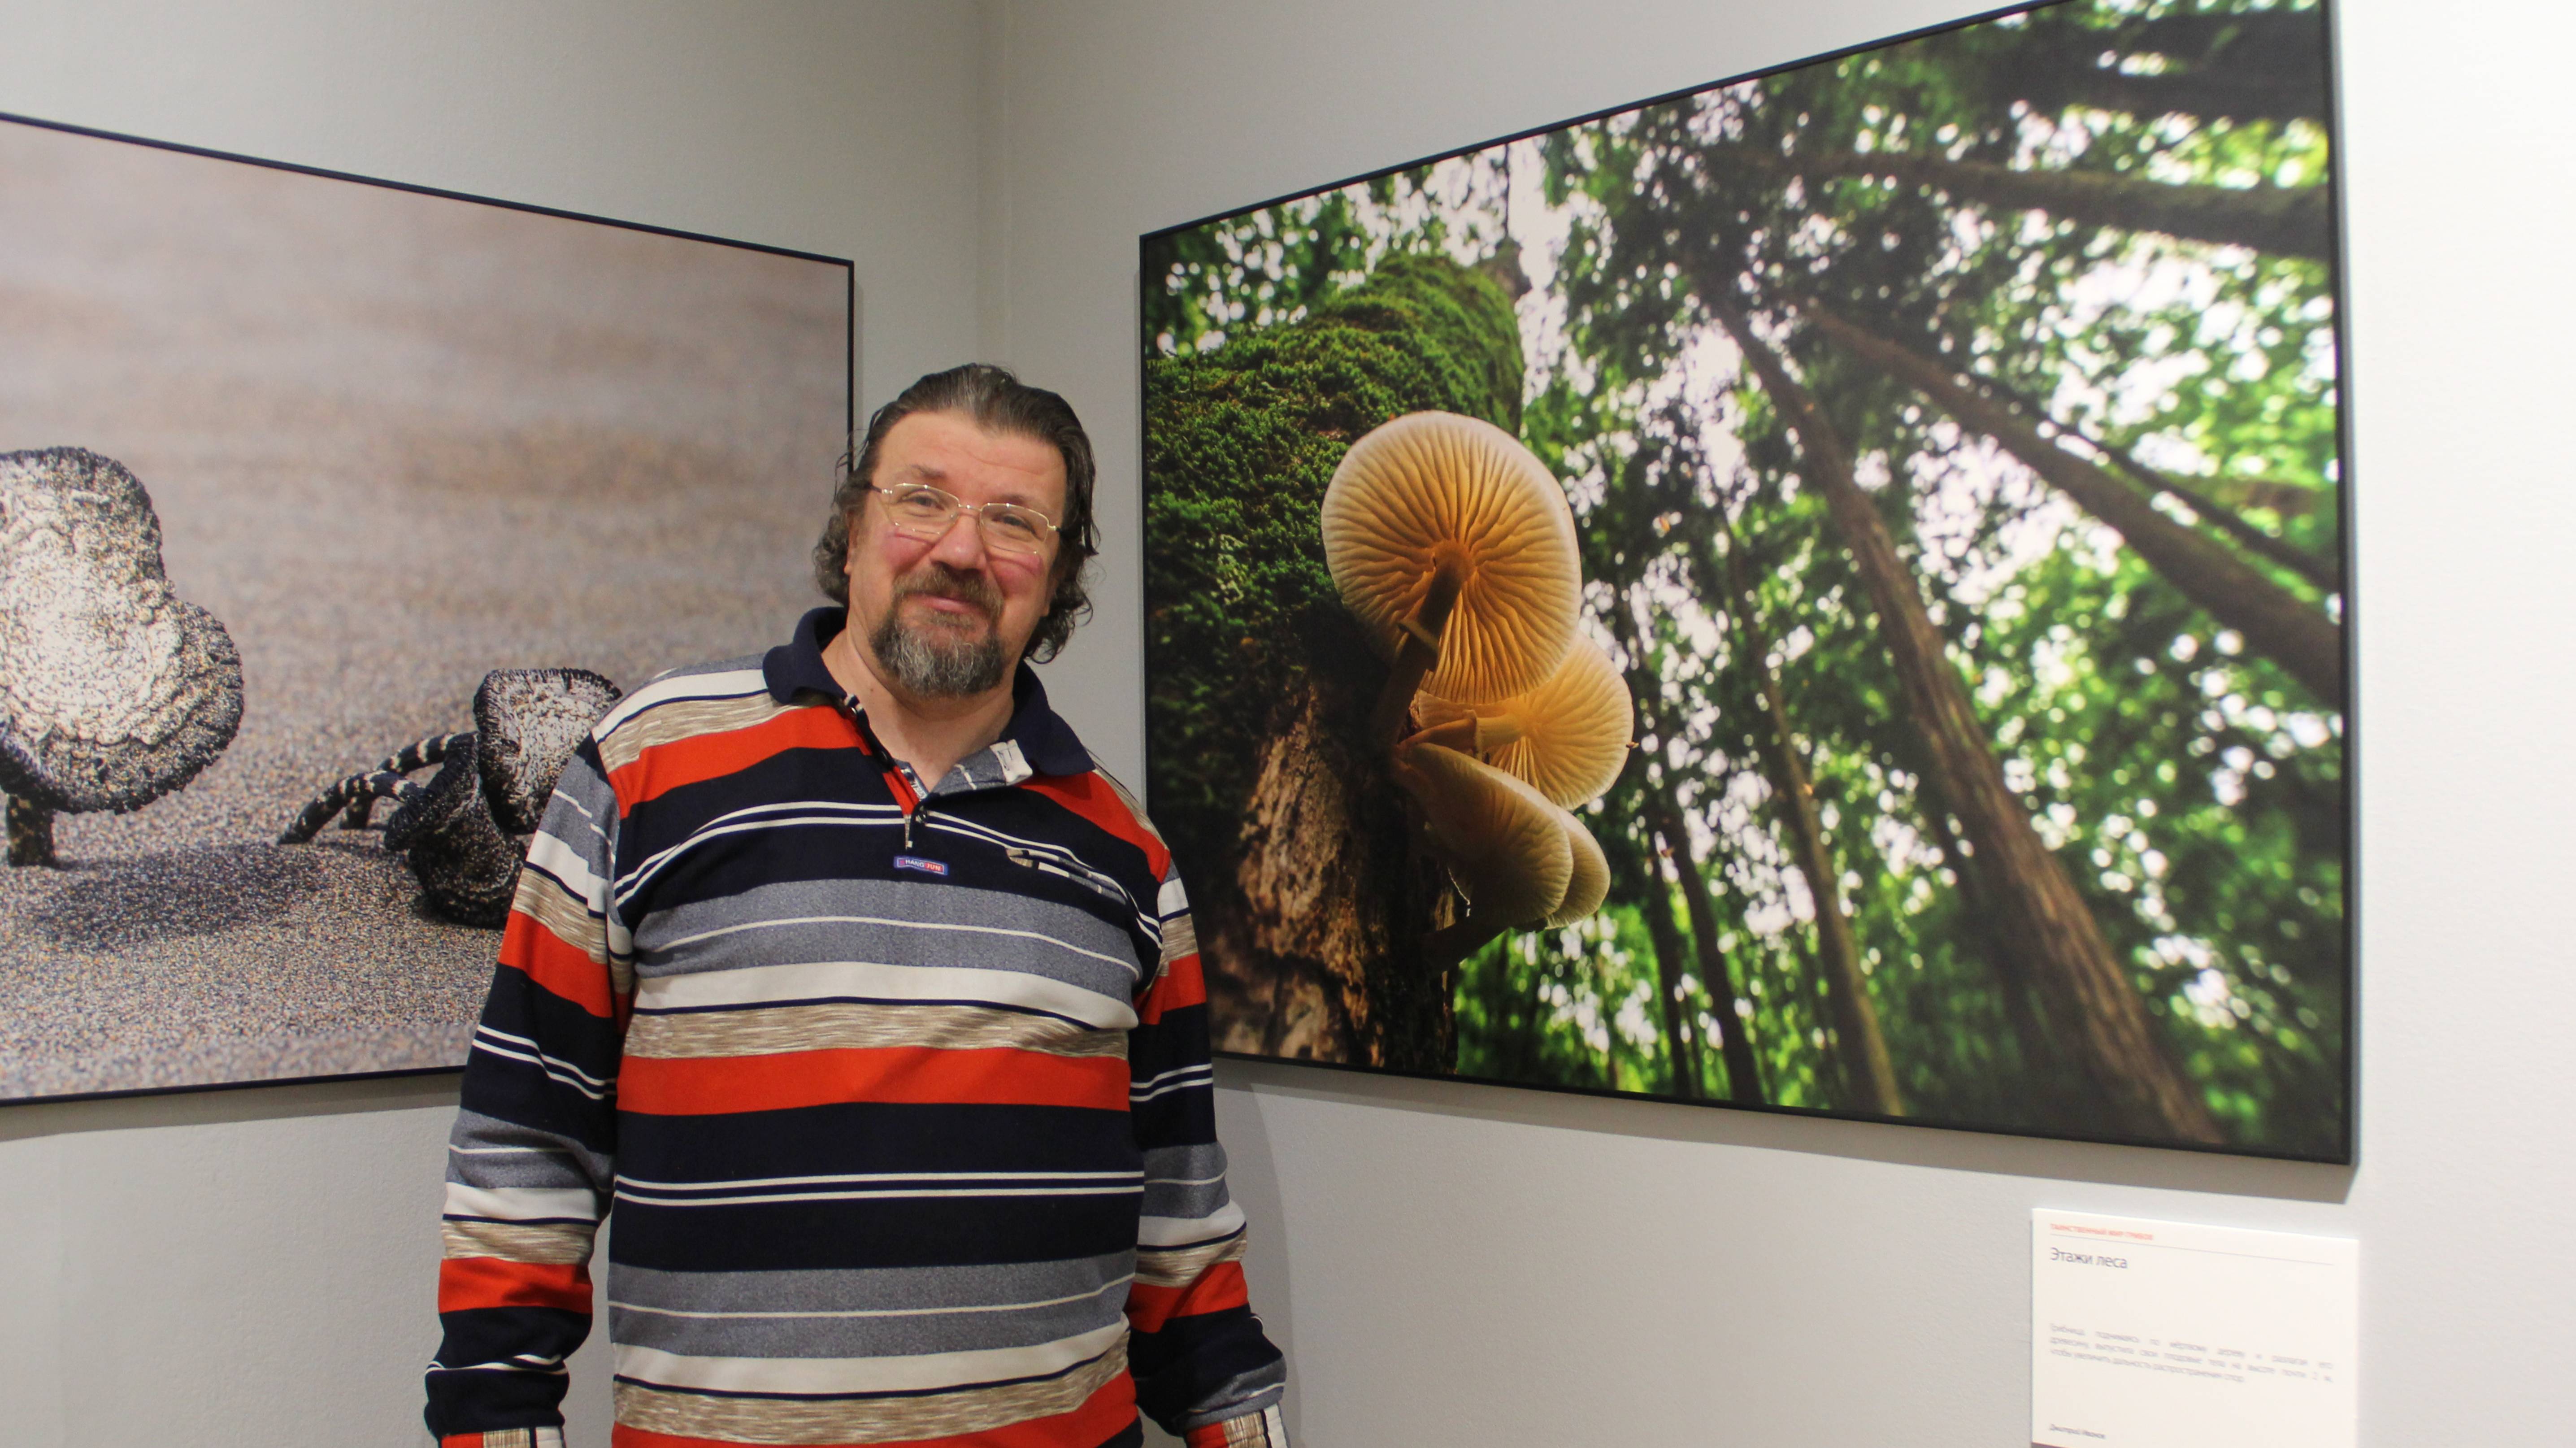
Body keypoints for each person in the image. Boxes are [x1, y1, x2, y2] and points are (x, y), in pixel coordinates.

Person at [425, 365, 1290, 1448]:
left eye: (1014, 521)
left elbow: (1183, 1240)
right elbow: (524, 1149)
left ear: (1056, 576)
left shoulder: (1125, 855)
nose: (962, 549)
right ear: (851, 529)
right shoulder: (645, 767)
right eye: (921, 498)